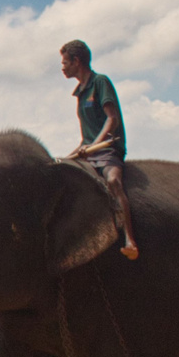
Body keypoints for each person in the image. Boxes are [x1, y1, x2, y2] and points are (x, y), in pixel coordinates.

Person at [59, 38, 139, 259]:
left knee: (113, 181)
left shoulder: (100, 82)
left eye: (65, 62)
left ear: (76, 61)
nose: (62, 67)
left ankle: (130, 239)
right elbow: (87, 136)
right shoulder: (80, 92)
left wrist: (94, 146)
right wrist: (70, 156)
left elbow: (111, 120)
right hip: (89, 150)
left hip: (108, 148)